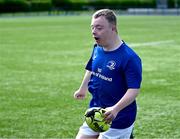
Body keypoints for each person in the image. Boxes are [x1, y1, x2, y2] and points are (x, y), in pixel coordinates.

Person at [74, 9, 142, 139]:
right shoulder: (97, 48)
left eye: (99, 28)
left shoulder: (129, 57)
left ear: (113, 29)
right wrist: (83, 88)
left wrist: (115, 109)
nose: (94, 31)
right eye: (92, 27)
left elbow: (134, 90)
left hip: (119, 117)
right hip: (95, 112)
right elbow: (91, 68)